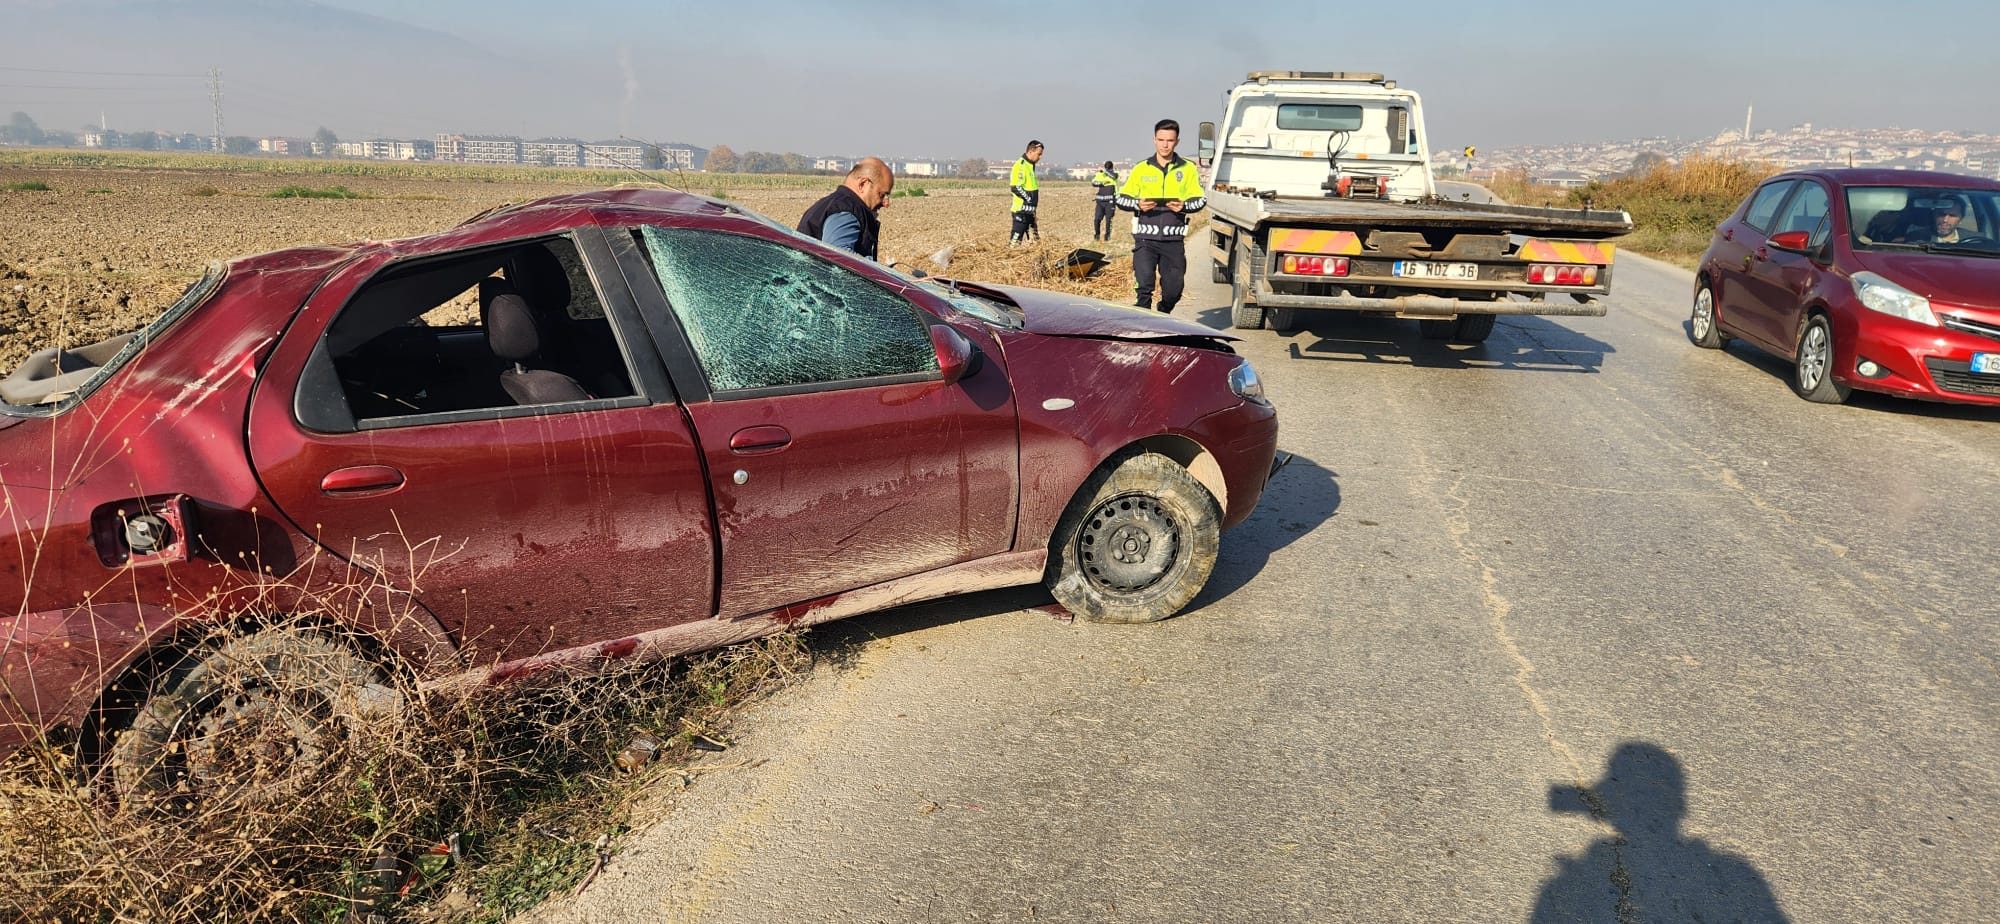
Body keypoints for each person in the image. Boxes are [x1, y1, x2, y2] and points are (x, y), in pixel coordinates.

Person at [1116, 119, 1206, 313]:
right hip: (1145, 240)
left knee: (1174, 291)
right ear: (1154, 140)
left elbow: (1200, 200)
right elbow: (1121, 199)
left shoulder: (1187, 168)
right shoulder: (1142, 168)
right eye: (1161, 139)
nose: (1165, 144)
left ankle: (1164, 310)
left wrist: (1184, 206)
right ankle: (1144, 331)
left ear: (1177, 141)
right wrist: (1137, 204)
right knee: (1144, 290)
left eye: (1170, 140)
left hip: (1173, 241)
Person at [798, 157, 894, 261]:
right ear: (863, 184)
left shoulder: (831, 203)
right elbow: (838, 258)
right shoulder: (847, 212)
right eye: (882, 194)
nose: (886, 203)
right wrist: (878, 270)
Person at [1907, 195, 1984, 246]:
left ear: (1961, 219)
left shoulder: (1976, 241)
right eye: (1941, 214)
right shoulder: (1915, 238)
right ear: (1934, 215)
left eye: (1952, 216)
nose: (1945, 220)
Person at [1009, 141, 1043, 246]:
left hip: (1030, 213)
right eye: (1039, 154)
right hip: (1021, 212)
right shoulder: (1020, 165)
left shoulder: (1030, 166)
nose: (1040, 157)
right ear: (1031, 151)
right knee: (1015, 243)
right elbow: (1016, 187)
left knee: (1036, 243)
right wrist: (1029, 200)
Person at [1090, 161, 1119, 242]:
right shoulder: (1100, 174)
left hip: (1110, 201)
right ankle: (1097, 235)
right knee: (1097, 219)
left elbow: (1114, 177)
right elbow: (1093, 183)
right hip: (1100, 201)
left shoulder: (1115, 174)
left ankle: (1107, 237)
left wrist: (1105, 171)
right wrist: (1102, 183)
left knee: (1109, 220)